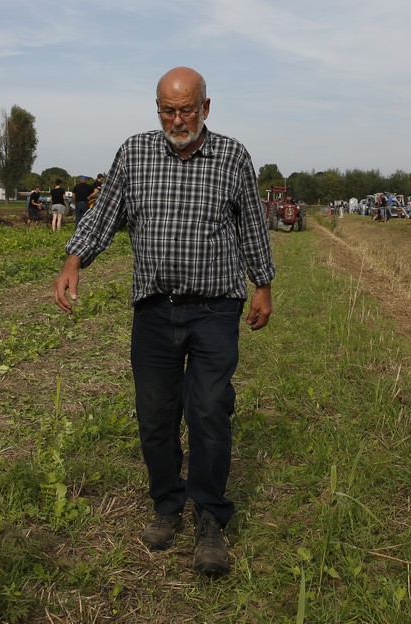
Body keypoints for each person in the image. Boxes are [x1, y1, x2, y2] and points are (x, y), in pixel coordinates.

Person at [53, 67, 274, 578]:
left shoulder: (232, 157)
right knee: (155, 417)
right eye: (168, 111)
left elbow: (251, 224)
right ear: (158, 109)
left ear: (206, 108)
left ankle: (209, 517)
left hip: (215, 307)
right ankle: (167, 505)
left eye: (187, 110)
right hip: (154, 309)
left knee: (209, 410)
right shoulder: (134, 154)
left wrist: (262, 283)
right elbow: (104, 215)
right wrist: (73, 260)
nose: (177, 120)